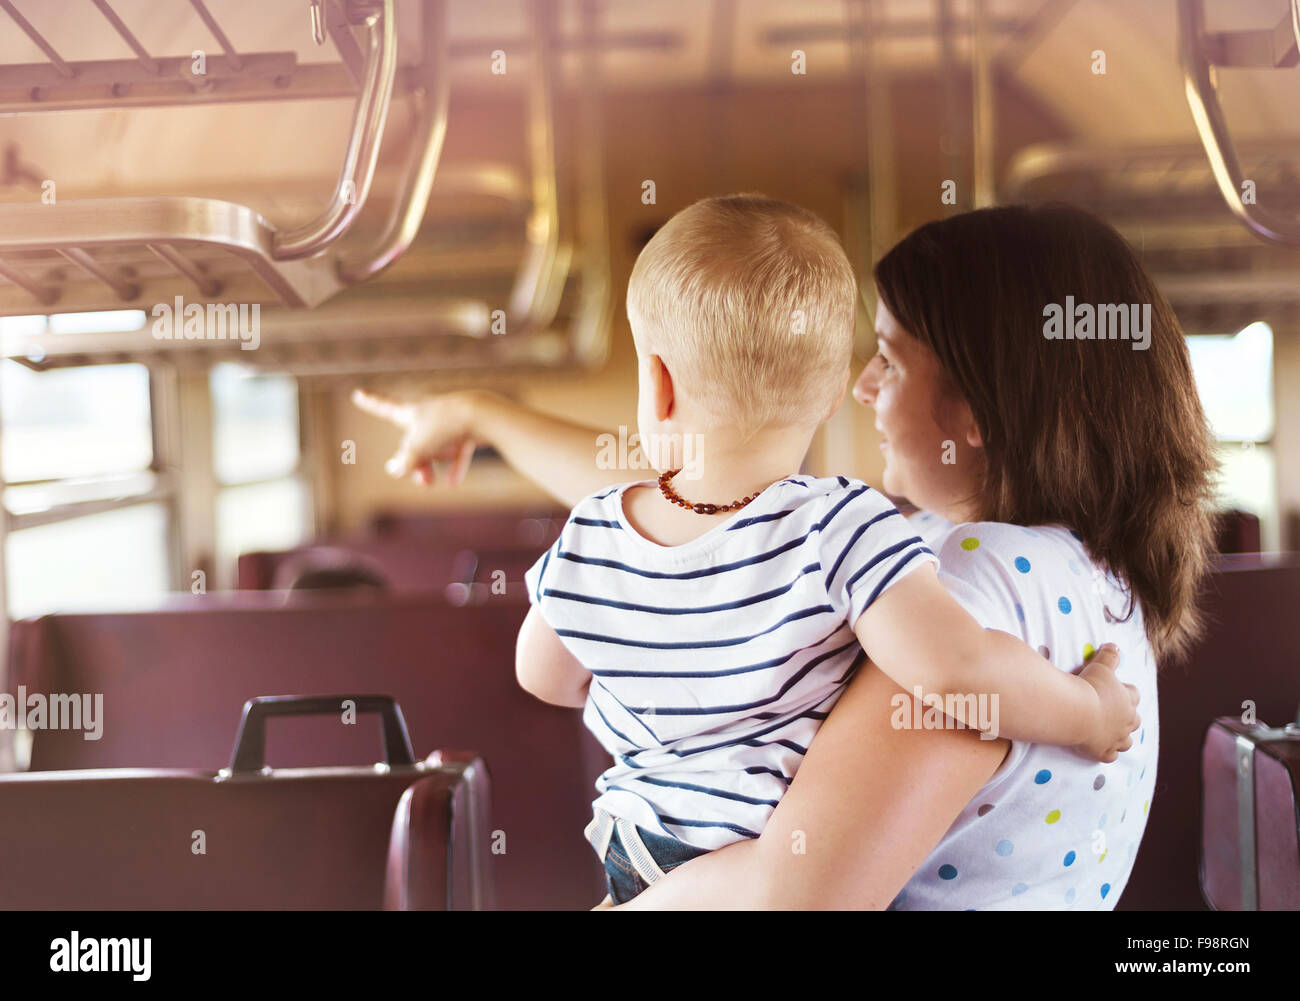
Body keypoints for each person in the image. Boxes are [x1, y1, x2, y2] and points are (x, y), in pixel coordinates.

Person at [353, 200, 1216, 909]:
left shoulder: (975, 583)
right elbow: (699, 500)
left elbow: (793, 900)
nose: (865, 386)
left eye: (889, 358)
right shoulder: (1077, 575)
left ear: (982, 407)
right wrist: (483, 414)